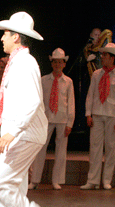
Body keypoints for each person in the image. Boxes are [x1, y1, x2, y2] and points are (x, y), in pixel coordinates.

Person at [0, 12, 48, 207]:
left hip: (25, 134)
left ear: (16, 37)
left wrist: (13, 132)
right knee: (11, 192)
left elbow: (33, 100)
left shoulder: (26, 62)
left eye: (5, 33)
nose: (2, 38)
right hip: (20, 133)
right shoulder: (16, 61)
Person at [81, 43, 115, 190]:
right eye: (102, 55)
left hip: (112, 115)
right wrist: (88, 114)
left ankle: (107, 180)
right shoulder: (97, 74)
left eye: (105, 56)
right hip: (97, 114)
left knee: (110, 147)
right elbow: (91, 95)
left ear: (112, 58)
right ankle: (93, 180)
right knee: (95, 147)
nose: (102, 58)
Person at [30, 48, 75, 190]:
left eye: (60, 62)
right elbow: (38, 100)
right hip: (46, 118)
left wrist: (70, 123)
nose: (57, 64)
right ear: (51, 63)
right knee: (40, 148)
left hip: (62, 118)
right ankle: (35, 180)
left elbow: (71, 103)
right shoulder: (44, 80)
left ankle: (57, 180)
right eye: (55, 62)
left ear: (64, 64)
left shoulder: (68, 81)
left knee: (61, 150)